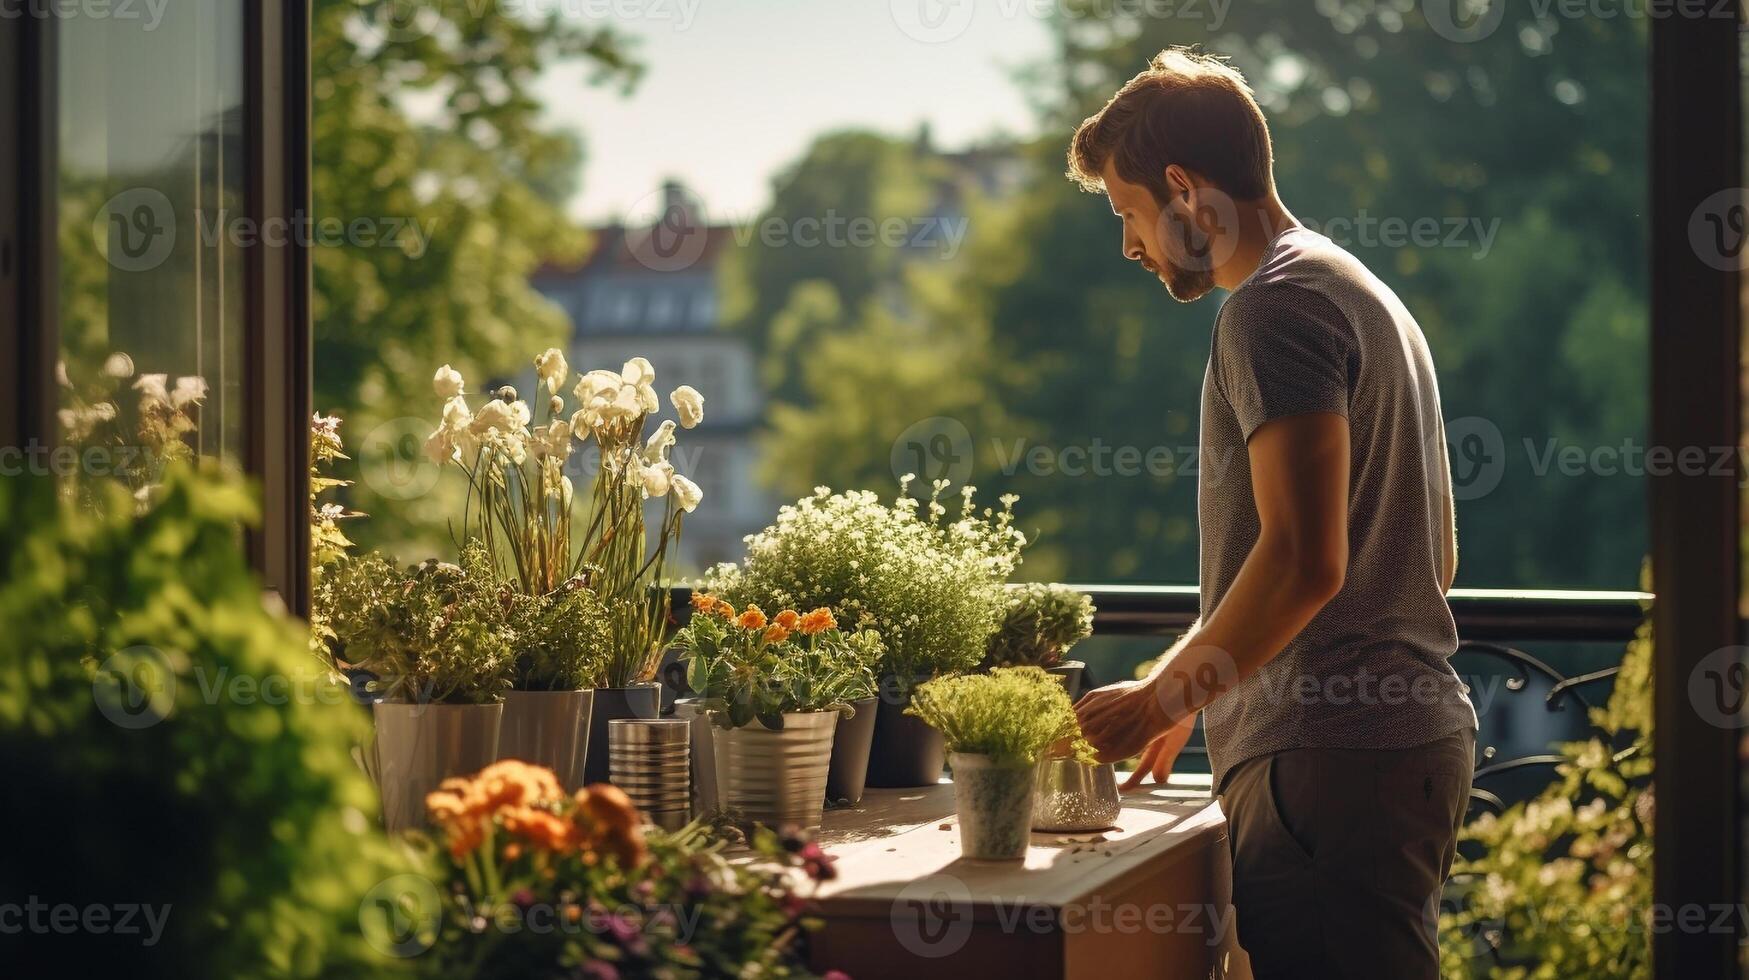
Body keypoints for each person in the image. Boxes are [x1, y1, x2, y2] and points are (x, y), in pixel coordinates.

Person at [1065, 47, 1478, 980]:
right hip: (1389, 749)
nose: (1130, 244)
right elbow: (1430, 559)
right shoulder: (1357, 290)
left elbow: (1301, 563)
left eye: (1129, 213)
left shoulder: (1270, 309)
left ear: (1183, 190)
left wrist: (1158, 698)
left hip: (1327, 761)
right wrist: (1202, 683)